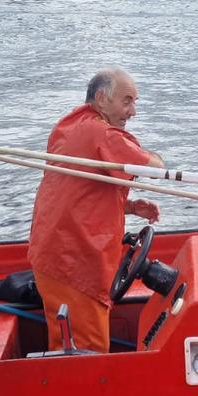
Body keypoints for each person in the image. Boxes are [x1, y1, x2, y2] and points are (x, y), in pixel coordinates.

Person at [27, 68, 164, 354]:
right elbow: (154, 167)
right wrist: (155, 157)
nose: (133, 112)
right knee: (87, 353)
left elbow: (76, 190)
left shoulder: (68, 126)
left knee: (66, 342)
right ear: (101, 99)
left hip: (53, 257)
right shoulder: (99, 132)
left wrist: (127, 206)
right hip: (73, 265)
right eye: (127, 101)